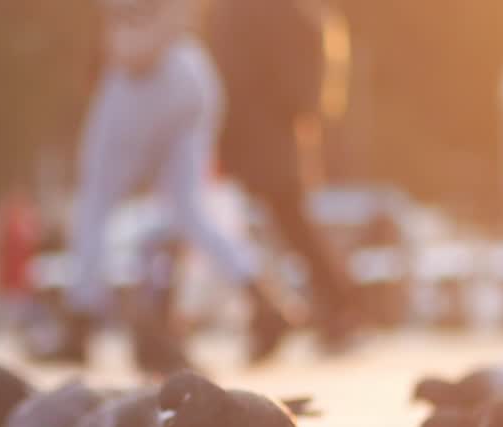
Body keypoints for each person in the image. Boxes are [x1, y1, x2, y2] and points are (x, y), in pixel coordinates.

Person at [65, 0, 299, 366]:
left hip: (138, 74)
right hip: (189, 68)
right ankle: (263, 298)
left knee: (95, 202)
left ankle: (80, 319)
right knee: (190, 208)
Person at [209, 0, 358, 352]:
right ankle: (320, 304)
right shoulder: (276, 10)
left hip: (263, 130)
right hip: (260, 128)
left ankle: (319, 304)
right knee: (281, 222)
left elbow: (249, 66)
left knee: (284, 221)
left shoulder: (269, 10)